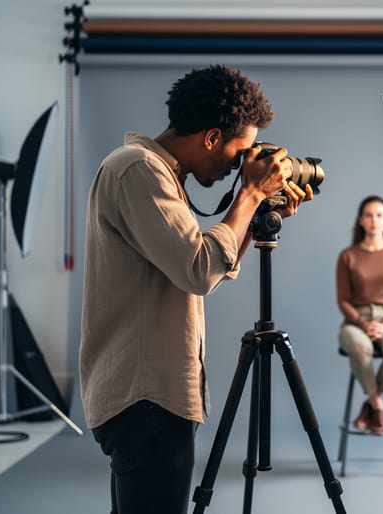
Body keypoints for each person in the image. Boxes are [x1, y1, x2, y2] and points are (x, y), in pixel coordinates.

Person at [79, 64, 313, 514]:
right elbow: (198, 268)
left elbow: (206, 268)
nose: (237, 167)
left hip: (147, 400)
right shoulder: (137, 170)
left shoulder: (158, 173)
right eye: (238, 151)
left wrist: (258, 209)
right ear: (211, 138)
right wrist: (247, 196)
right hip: (145, 400)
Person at [336, 195, 383, 435]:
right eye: (368, 215)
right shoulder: (347, 256)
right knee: (359, 348)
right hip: (355, 320)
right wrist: (362, 323)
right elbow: (343, 300)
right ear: (360, 220)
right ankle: (378, 405)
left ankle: (370, 401)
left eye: (379, 215)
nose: (374, 220)